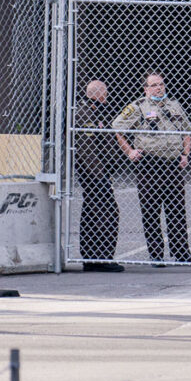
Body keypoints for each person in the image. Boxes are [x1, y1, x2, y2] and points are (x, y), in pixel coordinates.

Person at [112, 72, 191, 265]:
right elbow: (117, 127)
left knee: (176, 209)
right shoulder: (138, 107)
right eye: (153, 85)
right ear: (146, 89)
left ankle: (181, 252)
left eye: (161, 84)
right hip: (149, 165)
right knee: (151, 210)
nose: (159, 88)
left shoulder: (174, 106)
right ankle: (156, 254)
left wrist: (185, 153)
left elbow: (187, 131)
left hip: (172, 164)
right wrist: (129, 151)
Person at [76, 80, 124, 272]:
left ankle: (92, 257)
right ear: (99, 94)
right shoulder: (84, 113)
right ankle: (101, 257)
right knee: (106, 212)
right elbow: (87, 150)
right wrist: (100, 175)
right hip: (93, 174)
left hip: (99, 172)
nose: (107, 96)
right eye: (105, 92)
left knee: (94, 210)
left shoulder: (95, 112)